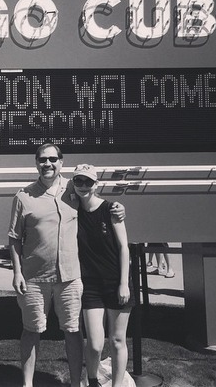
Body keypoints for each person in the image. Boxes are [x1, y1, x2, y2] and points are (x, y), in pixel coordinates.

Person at [8, 144, 125, 387]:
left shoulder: (75, 188)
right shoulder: (23, 196)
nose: (47, 164)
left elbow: (95, 199)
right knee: (31, 331)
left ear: (61, 162)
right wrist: (17, 272)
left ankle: (75, 383)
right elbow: (14, 238)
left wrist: (118, 207)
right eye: (43, 159)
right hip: (34, 278)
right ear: (36, 163)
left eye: (53, 159)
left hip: (70, 278)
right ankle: (27, 384)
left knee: (73, 332)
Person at [73, 164, 134, 387]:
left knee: (117, 340)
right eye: (78, 181)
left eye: (88, 181)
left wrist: (124, 283)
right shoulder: (71, 211)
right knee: (95, 344)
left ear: (96, 184)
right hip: (89, 285)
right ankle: (92, 382)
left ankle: (117, 385)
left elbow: (123, 247)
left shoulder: (111, 209)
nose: (83, 186)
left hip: (116, 281)